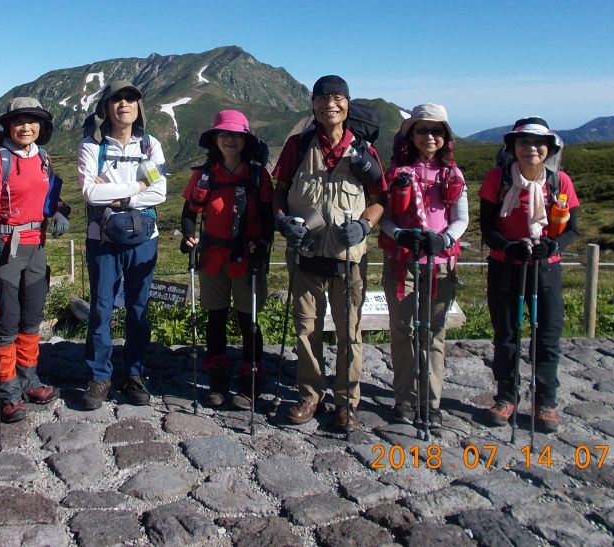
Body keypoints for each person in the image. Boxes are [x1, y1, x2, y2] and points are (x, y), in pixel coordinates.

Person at [272, 75, 387, 430]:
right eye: (322, 98)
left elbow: (381, 199)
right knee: (306, 327)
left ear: (348, 104)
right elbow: (279, 191)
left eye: (337, 98)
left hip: (348, 256)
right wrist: (282, 221)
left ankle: (346, 401)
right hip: (305, 251)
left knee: (348, 329)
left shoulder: (363, 149)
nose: (329, 104)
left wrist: (365, 225)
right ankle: (310, 394)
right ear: (313, 105)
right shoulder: (298, 145)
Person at [479, 117, 580, 433]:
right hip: (505, 266)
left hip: (545, 267)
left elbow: (572, 229)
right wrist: (509, 248)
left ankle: (545, 402)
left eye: (538, 143)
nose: (531, 149)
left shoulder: (560, 182)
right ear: (512, 147)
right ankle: (506, 396)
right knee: (507, 336)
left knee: (547, 336)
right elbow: (487, 228)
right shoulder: (497, 179)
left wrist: (550, 246)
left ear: (549, 148)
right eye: (524, 143)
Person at [0, 97, 70, 423]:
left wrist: (59, 211)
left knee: (31, 317)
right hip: (6, 246)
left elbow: (49, 197)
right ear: (9, 125)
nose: (26, 127)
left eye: (32, 121)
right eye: (19, 121)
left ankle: (29, 380)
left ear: (41, 127)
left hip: (37, 245)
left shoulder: (42, 158)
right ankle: (8, 393)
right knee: (6, 322)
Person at [78, 80, 167, 409]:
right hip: (101, 239)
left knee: (138, 309)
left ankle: (133, 373)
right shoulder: (92, 146)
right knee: (101, 310)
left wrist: (114, 191)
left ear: (138, 107)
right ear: (106, 107)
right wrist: (138, 187)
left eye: (131, 99)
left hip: (144, 238)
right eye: (116, 99)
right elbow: (89, 192)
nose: (124, 104)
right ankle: (99, 376)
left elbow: (160, 192)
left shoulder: (151, 146)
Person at [379, 104, 468, 429]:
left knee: (433, 335)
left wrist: (444, 240)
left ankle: (430, 402)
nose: (429, 136)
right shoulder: (396, 172)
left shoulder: (453, 174)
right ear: (411, 135)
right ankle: (404, 399)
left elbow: (461, 218)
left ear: (445, 136)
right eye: (422, 130)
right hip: (402, 263)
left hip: (440, 265)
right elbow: (385, 216)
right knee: (402, 332)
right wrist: (399, 234)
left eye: (436, 131)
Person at [180, 110, 274, 409]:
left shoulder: (259, 176)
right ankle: (218, 380)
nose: (230, 140)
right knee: (216, 320)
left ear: (245, 140)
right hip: (213, 258)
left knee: (250, 323)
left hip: (248, 259)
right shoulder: (204, 175)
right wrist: (189, 236)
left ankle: (250, 382)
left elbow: (270, 219)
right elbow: (189, 213)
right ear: (215, 140)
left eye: (235, 135)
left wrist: (263, 244)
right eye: (224, 135)